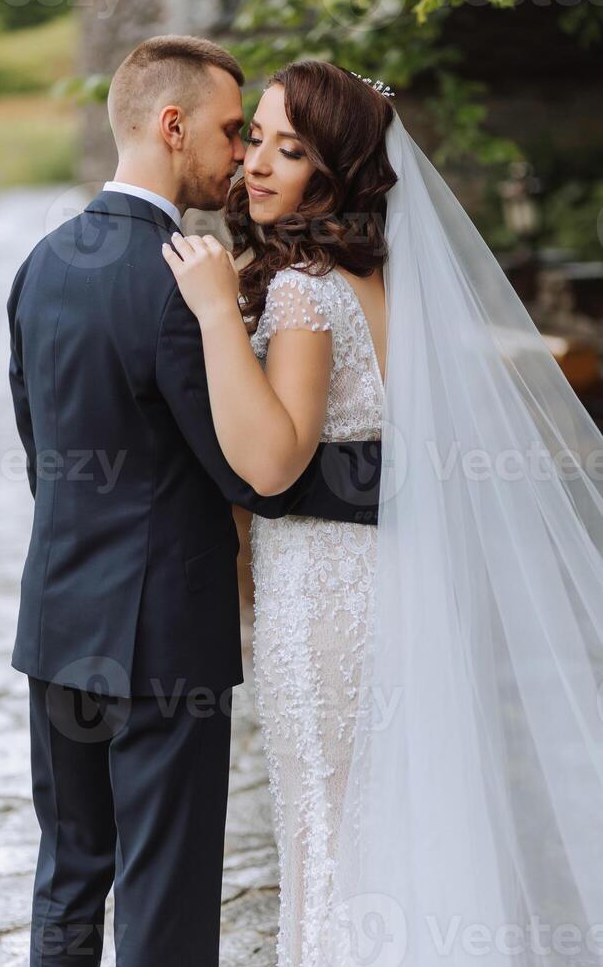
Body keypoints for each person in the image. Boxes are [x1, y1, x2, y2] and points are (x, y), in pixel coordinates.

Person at [163, 59, 603, 967]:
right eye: (256, 138)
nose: (258, 164)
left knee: (327, 833)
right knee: (385, 820)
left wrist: (213, 314)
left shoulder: (301, 288)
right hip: (394, 586)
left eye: (292, 149)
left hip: (325, 599)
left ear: (337, 171)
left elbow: (275, 462)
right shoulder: (383, 279)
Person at [6, 38, 382, 967]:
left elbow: (39, 454)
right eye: (230, 131)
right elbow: (257, 471)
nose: (240, 158)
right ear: (173, 128)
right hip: (164, 644)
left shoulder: (43, 265)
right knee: (164, 897)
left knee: (67, 878)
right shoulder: (182, 281)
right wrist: (393, 483)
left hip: (57, 625)